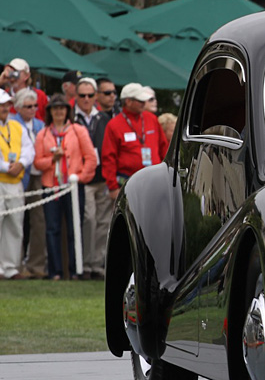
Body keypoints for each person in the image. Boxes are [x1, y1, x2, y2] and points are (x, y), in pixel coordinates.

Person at [33, 94, 96, 280]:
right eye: (55, 108)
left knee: (74, 227)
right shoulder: (43, 134)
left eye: (62, 108)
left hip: (73, 187)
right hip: (50, 186)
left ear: (67, 111)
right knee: (52, 228)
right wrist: (52, 159)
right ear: (50, 111)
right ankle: (56, 272)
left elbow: (91, 158)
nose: (59, 112)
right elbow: (37, 162)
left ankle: (76, 269)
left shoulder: (77, 130)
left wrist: (81, 177)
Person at [101, 83, 170, 200]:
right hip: (128, 182)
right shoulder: (114, 125)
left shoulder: (151, 119)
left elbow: (164, 148)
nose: (144, 103)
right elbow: (109, 158)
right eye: (140, 100)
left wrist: (169, 173)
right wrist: (112, 187)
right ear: (128, 101)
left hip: (155, 181)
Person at [74, 77, 112, 280]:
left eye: (90, 95)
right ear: (76, 97)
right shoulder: (72, 118)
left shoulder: (104, 118)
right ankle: (86, 263)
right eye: (82, 95)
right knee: (88, 219)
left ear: (95, 96)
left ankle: (98, 264)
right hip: (83, 178)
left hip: (102, 177)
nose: (86, 99)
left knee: (103, 221)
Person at [11, 88, 47, 278]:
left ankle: (36, 264)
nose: (33, 109)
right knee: (16, 221)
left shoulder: (40, 124)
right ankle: (13, 265)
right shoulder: (11, 123)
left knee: (38, 221)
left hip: (39, 175)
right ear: (17, 108)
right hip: (17, 176)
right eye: (28, 106)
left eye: (35, 106)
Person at [0, 89, 34, 280]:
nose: (5, 108)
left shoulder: (16, 126)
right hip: (2, 179)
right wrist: (6, 167)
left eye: (7, 105)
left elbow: (29, 149)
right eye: (2, 105)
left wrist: (20, 163)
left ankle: (11, 266)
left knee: (15, 224)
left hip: (15, 182)